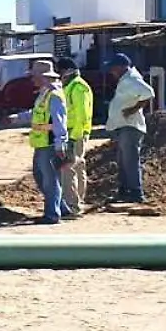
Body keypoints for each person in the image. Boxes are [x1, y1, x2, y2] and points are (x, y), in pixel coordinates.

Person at [104, 53, 155, 203]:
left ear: (121, 67)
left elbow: (148, 93)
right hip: (123, 126)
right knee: (123, 160)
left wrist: (133, 110)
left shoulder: (132, 79)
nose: (112, 71)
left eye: (113, 68)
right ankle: (125, 190)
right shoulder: (126, 79)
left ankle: (135, 192)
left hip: (130, 126)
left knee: (130, 160)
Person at [26, 59, 70, 225]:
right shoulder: (44, 93)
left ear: (43, 77)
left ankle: (52, 214)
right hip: (41, 143)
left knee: (50, 179)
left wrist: (60, 144)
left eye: (34, 76)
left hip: (50, 144)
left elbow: (60, 122)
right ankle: (61, 208)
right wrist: (17, 118)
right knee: (41, 176)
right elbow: (37, 114)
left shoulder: (54, 95)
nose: (32, 80)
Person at [57, 57, 94, 217]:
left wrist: (73, 137)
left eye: (60, 72)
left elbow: (81, 115)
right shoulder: (70, 86)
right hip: (74, 132)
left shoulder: (77, 87)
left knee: (68, 168)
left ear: (66, 71)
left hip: (75, 133)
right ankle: (77, 202)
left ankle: (72, 206)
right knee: (77, 167)